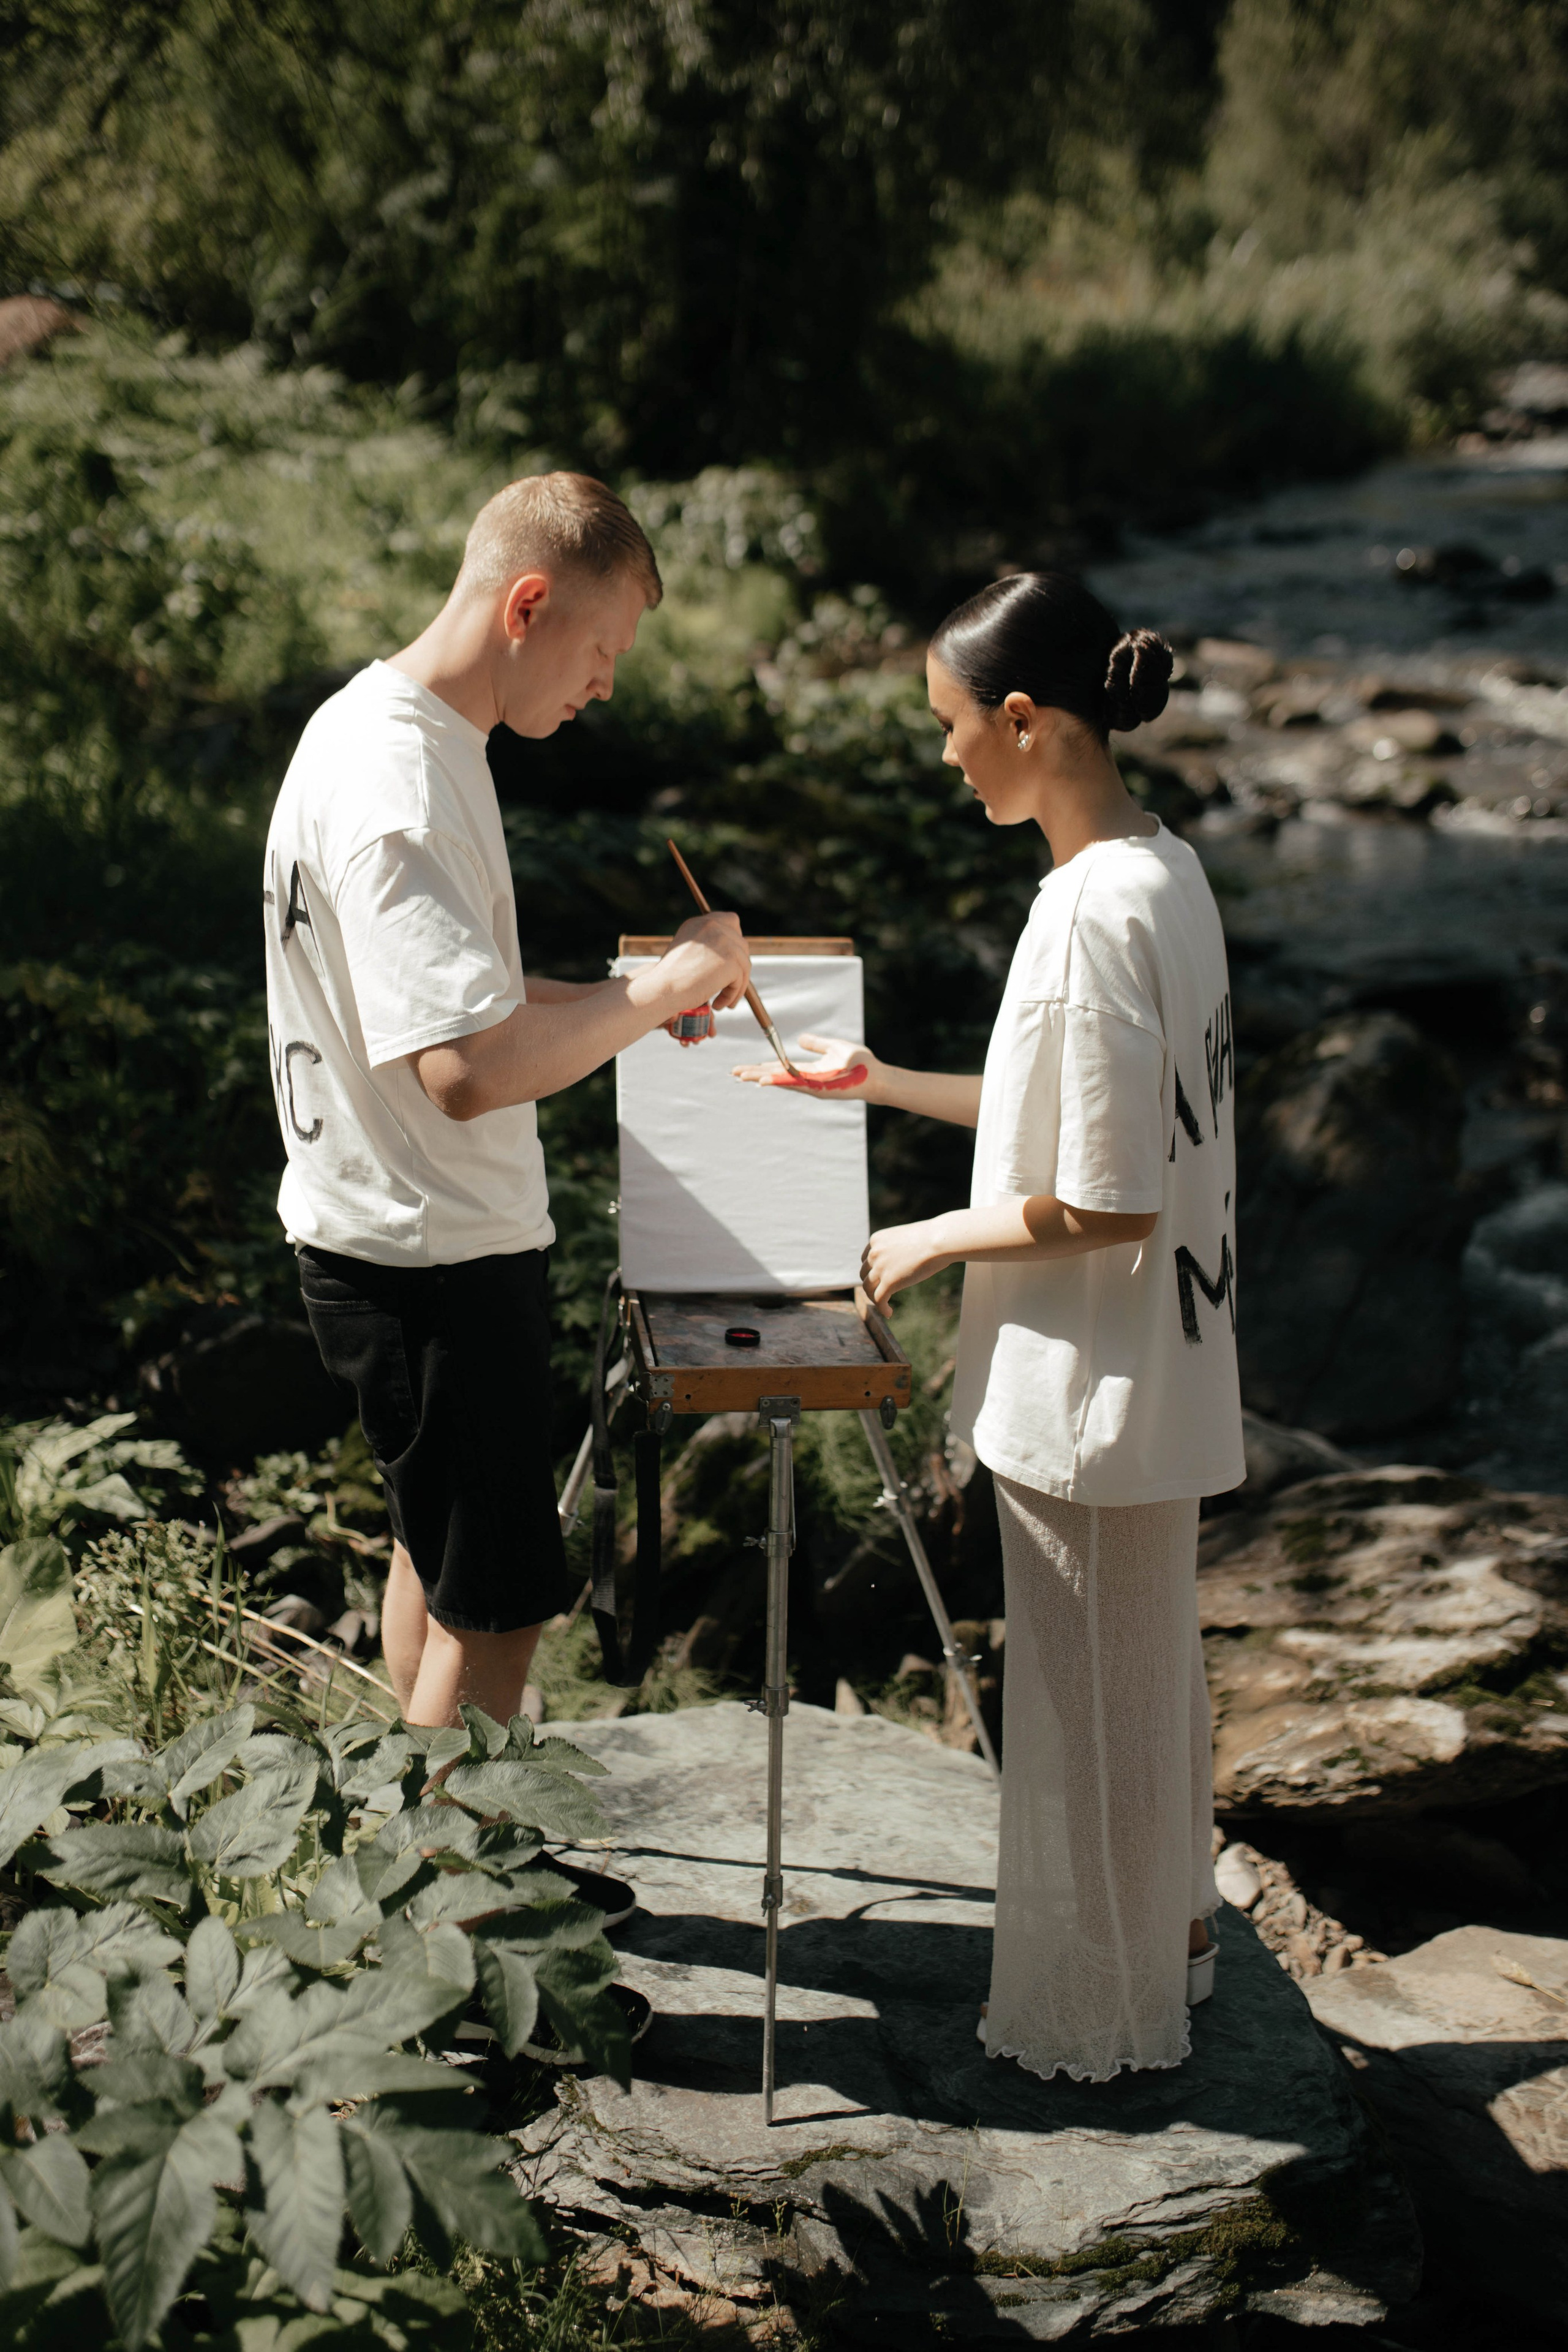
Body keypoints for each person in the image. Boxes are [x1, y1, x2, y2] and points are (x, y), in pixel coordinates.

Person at [734, 570, 1243, 2082]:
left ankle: (1099, 2027)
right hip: (1162, 1363)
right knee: (1149, 1686)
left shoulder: (1088, 914)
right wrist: (884, 1084)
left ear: (1025, 720)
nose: (946, 755)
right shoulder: (1164, 871)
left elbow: (1102, 1200)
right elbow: (1081, 1125)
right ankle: (1179, 1956)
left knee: (1089, 1713)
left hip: (1086, 1383)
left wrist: (917, 1241)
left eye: (953, 728)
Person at [264, 472, 750, 1736]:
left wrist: (619, 990)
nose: (604, 686)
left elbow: (449, 995)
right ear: (527, 604)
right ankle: (454, 1900)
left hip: (387, 1231)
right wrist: (667, 995)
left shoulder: (390, 728)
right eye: (600, 650)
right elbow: (468, 1073)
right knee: (501, 1609)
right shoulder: (403, 785)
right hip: (429, 1256)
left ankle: (435, 1862)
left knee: (437, 1556)